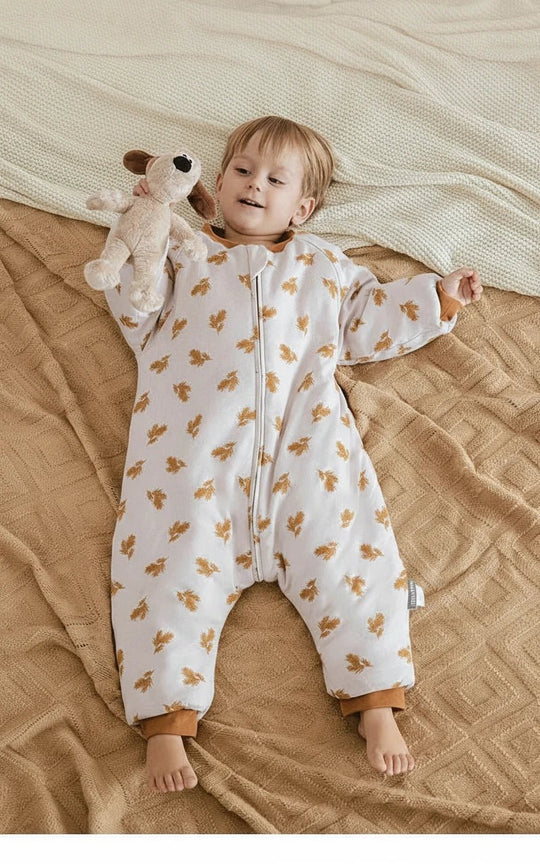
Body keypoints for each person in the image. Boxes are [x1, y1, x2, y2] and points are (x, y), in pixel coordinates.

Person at [105, 116, 483, 794]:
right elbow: (135, 307)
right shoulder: (182, 256)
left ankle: (376, 704)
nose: (256, 185)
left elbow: (369, 321)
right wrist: (140, 243)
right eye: (243, 171)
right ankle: (165, 721)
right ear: (216, 184)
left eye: (276, 180)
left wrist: (438, 297)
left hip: (308, 457)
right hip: (190, 468)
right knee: (163, 579)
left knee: (356, 562)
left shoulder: (322, 267)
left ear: (302, 208)